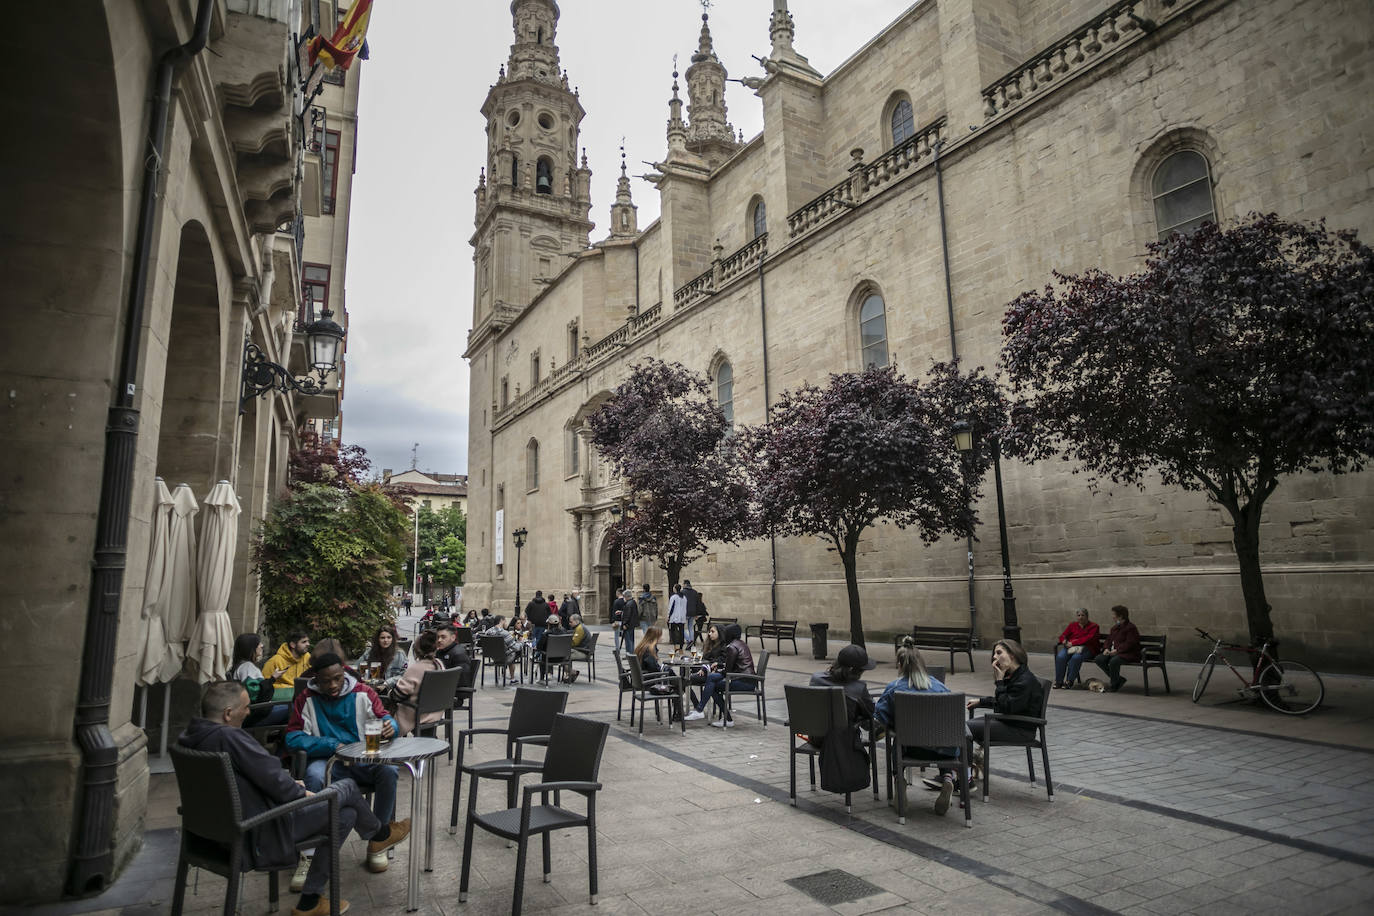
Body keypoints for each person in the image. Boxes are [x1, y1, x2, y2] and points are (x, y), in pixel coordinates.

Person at [179, 680, 409, 916]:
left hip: (219, 832)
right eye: (245, 707)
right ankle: (379, 834)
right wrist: (300, 791)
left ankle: (309, 902)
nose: (249, 712)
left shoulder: (189, 739)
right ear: (228, 714)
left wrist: (289, 783)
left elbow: (253, 779)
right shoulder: (230, 738)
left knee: (346, 815)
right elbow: (272, 778)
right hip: (261, 830)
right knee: (348, 788)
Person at [284, 653, 409, 875]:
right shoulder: (306, 698)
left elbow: (384, 717)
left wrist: (391, 726)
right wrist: (330, 745)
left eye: (338, 678)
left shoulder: (364, 692)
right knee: (314, 776)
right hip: (327, 760)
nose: (333, 685)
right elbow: (292, 737)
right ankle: (310, 852)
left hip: (363, 757)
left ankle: (376, 844)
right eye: (326, 681)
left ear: (344, 674)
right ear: (316, 679)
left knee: (389, 770)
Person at [874, 637, 964, 816]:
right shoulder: (940, 687)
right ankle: (947, 777)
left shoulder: (894, 688)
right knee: (941, 737)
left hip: (910, 750)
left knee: (897, 740)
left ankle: (899, 779)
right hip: (944, 751)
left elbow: (879, 719)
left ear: (900, 664)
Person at [966, 639, 1045, 741]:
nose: (994, 657)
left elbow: (1006, 707)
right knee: (963, 727)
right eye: (994, 653)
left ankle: (966, 756)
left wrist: (999, 681)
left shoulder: (1024, 680)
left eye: (999, 653)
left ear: (1012, 655)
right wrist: (981, 701)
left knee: (963, 729)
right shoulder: (1015, 675)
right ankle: (969, 756)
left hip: (1020, 729)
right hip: (1008, 722)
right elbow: (1006, 700)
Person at [683, 623, 754, 727]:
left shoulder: (732, 647)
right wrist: (719, 665)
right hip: (745, 679)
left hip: (744, 681)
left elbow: (727, 671)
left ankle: (699, 710)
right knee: (712, 685)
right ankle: (727, 719)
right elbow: (731, 666)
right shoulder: (740, 643)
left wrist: (718, 668)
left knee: (711, 680)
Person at [810, 644, 878, 731]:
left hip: (816, 736)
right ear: (855, 671)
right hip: (844, 740)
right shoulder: (859, 688)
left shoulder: (816, 678)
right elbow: (870, 711)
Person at [230, 633, 289, 727]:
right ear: (251, 648)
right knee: (294, 708)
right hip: (255, 716)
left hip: (249, 713)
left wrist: (273, 678)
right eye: (259, 643)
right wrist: (272, 680)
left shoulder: (240, 665)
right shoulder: (248, 667)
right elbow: (255, 695)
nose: (262, 645)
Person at [392, 630, 443, 736]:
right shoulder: (439, 664)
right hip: (436, 712)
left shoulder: (416, 668)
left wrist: (388, 693)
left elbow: (398, 695)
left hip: (418, 714)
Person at [1094, 604, 1141, 691]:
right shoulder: (1115, 628)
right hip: (1114, 652)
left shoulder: (1131, 628)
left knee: (1114, 661)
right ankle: (1119, 679)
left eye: (1114, 615)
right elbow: (1108, 640)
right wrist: (1106, 648)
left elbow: (1130, 643)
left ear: (1120, 616)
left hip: (1128, 653)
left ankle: (1114, 684)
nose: (1113, 617)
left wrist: (1117, 651)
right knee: (1099, 659)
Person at [1053, 607, 1102, 689]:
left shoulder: (1094, 626)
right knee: (1060, 657)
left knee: (1076, 658)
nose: (1080, 617)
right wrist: (1064, 641)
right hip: (1071, 647)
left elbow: (1089, 638)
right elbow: (1063, 635)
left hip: (1086, 648)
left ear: (1087, 616)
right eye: (1078, 615)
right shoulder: (1072, 625)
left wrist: (1073, 642)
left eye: (1083, 615)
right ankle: (1059, 681)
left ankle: (1069, 681)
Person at [358, 624, 407, 690]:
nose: (386, 640)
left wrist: (386, 683)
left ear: (392, 639)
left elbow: (404, 675)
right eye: (382, 638)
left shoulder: (399, 654)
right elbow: (357, 666)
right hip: (370, 686)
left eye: (389, 637)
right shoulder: (370, 652)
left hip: (389, 688)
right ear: (378, 639)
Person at [681, 579, 705, 645]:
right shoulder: (695, 592)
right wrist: (696, 614)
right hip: (693, 612)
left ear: (685, 584)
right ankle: (691, 640)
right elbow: (698, 603)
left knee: (682, 627)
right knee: (690, 627)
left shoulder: (682, 592)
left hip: (685, 612)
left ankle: (689, 640)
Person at [666, 584, 687, 651]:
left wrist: (668, 616)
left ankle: (675, 646)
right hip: (682, 617)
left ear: (675, 589)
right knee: (681, 632)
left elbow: (671, 607)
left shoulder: (674, 597)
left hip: (674, 617)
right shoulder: (684, 597)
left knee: (673, 632)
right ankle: (681, 647)